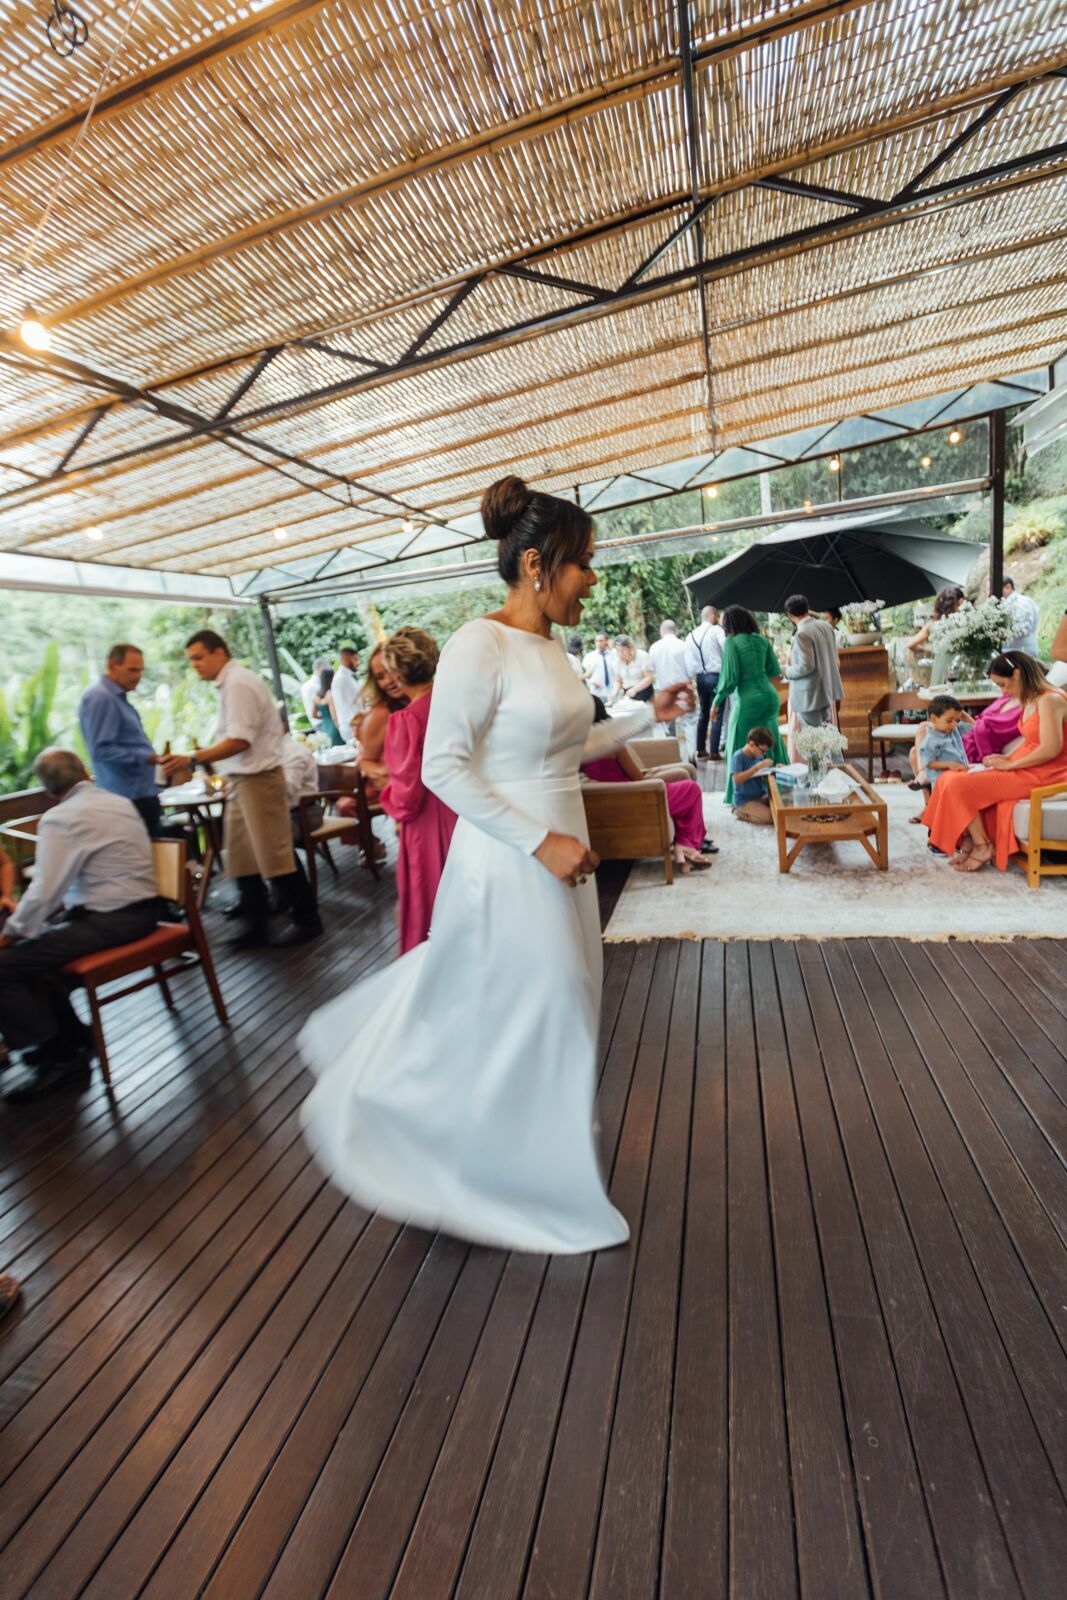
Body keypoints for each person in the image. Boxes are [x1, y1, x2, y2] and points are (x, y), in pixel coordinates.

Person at [299, 474, 691, 1254]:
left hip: (560, 845)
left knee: (565, 1002)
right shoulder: (476, 643)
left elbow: (562, 750)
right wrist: (539, 841)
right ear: (539, 564)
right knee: (535, 1005)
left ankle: (529, 1150)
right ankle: (492, 1161)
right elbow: (446, 769)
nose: (593, 578)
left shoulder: (548, 646)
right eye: (584, 563)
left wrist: (650, 714)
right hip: (511, 856)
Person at [0, 749, 159, 1102]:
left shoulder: (61, 818)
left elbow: (43, 893)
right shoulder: (117, 801)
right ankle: (74, 1039)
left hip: (115, 920)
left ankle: (60, 1057)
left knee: (6, 966)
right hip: (145, 910)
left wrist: (9, 935)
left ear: (47, 791)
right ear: (86, 771)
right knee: (36, 952)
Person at [162, 631, 322, 948]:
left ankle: (308, 920)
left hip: (260, 779)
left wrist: (193, 758)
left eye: (198, 657)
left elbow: (240, 740)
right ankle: (256, 924)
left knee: (275, 855)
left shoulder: (238, 683)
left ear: (219, 652)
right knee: (241, 856)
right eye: (191, 659)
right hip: (242, 780)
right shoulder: (230, 683)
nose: (194, 665)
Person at [923, 652, 1067, 871]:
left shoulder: (1051, 699)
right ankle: (970, 840)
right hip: (1027, 765)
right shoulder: (1032, 699)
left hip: (1047, 772)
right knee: (949, 777)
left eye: (1002, 684)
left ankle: (983, 846)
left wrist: (1011, 765)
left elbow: (1050, 748)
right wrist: (1006, 757)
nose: (1003, 691)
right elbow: (1030, 741)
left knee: (958, 784)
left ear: (1017, 674)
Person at [377, 628, 457, 954]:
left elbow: (407, 794)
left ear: (397, 675)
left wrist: (388, 796)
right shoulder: (458, 705)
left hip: (428, 825)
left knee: (432, 902)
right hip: (467, 814)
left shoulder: (407, 719)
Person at [78, 643, 164, 836]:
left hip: (140, 793)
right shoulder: (101, 698)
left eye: (141, 671)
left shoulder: (117, 698)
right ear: (112, 665)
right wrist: (147, 758)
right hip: (127, 798)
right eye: (132, 670)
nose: (138, 676)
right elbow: (101, 750)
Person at [713, 607, 788, 804]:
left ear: (729, 624)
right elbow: (774, 671)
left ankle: (737, 795)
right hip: (770, 697)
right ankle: (782, 789)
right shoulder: (762, 640)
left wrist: (716, 702)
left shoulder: (731, 643)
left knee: (739, 740)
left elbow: (730, 679)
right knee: (771, 741)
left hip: (748, 699)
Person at [782, 595, 844, 759]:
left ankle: (818, 778)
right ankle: (835, 771)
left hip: (809, 695)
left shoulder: (801, 634)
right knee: (827, 735)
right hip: (827, 690)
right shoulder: (826, 626)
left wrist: (787, 671)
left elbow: (806, 666)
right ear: (807, 608)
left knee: (814, 740)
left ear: (790, 615)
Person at [909, 694, 970, 825]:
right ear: (934, 719)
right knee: (943, 814)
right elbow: (929, 763)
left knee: (951, 812)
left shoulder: (954, 730)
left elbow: (974, 726)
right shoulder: (931, 741)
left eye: (956, 721)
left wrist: (959, 712)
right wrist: (950, 765)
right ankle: (936, 834)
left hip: (957, 774)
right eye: (949, 720)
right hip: (942, 780)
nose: (954, 724)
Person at [684, 605, 726, 760]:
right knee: (717, 713)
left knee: (703, 713)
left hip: (700, 677)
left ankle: (700, 749)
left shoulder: (691, 635)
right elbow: (726, 648)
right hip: (716, 676)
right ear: (713, 616)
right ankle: (714, 752)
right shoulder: (716, 630)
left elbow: (688, 660)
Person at [905, 585, 964, 685]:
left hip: (940, 669)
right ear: (959, 602)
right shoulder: (963, 622)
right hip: (959, 668)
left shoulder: (933, 624)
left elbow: (910, 644)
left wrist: (929, 648)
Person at [280, 723, 320, 844]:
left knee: (265, 836)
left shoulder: (292, 753)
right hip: (290, 813)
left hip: (304, 815)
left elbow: (287, 790)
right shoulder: (275, 751)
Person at [729, 726, 777, 824]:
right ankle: (739, 811)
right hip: (745, 801)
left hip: (760, 795)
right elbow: (737, 779)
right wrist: (757, 768)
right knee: (770, 817)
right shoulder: (738, 757)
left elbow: (761, 775)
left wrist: (775, 770)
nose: (763, 754)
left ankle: (757, 809)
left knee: (782, 809)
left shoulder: (758, 756)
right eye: (762, 751)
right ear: (751, 744)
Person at [330, 646, 363, 743]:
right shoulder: (343, 678)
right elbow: (356, 704)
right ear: (346, 658)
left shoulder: (344, 677)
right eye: (355, 659)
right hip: (352, 727)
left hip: (351, 725)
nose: (358, 662)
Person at [1002, 577, 1040, 656]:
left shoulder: (1021, 602)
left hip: (1021, 653)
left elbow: (1024, 628)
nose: (989, 593)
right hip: (1012, 652)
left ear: (1008, 587)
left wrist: (999, 633)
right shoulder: (1005, 603)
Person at [613, 635, 654, 702]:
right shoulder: (617, 661)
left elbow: (649, 677)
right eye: (618, 650)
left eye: (623, 650)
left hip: (644, 692)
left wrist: (635, 689)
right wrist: (613, 694)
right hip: (628, 694)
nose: (620, 653)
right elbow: (618, 680)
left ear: (630, 647)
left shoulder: (642, 656)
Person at [583, 632, 618, 702]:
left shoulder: (614, 655)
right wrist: (592, 682)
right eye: (596, 641)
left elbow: (618, 673)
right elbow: (586, 675)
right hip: (597, 692)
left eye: (601, 641)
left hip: (613, 692)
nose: (598, 643)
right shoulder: (589, 656)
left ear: (606, 641)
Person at [313, 666, 344, 746]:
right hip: (334, 727)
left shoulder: (316, 696)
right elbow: (334, 716)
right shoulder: (330, 694)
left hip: (324, 728)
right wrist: (341, 729)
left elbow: (314, 715)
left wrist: (325, 717)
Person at [300, 657, 330, 730]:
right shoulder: (315, 686)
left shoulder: (306, 685)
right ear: (319, 667)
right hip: (322, 723)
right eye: (326, 667)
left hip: (316, 723)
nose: (327, 670)